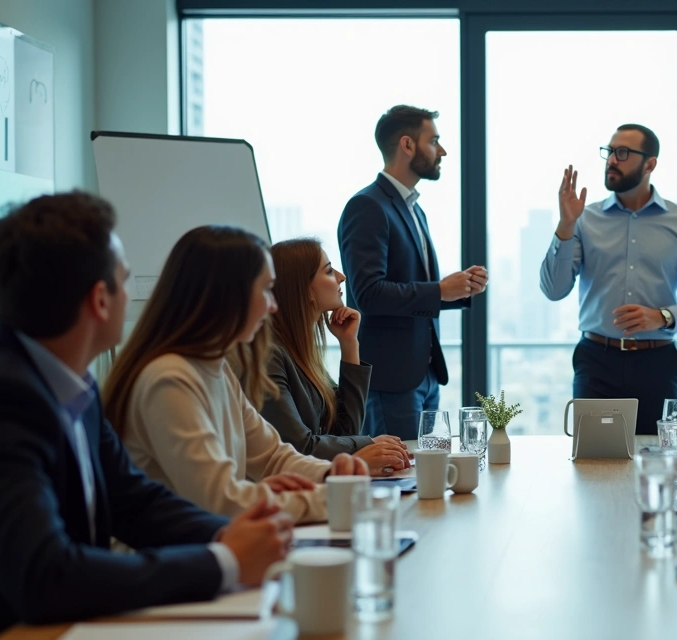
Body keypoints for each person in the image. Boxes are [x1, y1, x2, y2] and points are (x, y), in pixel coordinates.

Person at [0, 193, 292, 639]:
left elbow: (133, 500)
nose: (131, 293)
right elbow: (46, 576)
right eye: (124, 278)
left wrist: (231, 535)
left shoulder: (67, 377)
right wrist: (225, 561)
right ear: (101, 300)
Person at [104, 226, 369, 525]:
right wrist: (331, 498)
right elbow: (220, 499)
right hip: (173, 549)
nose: (273, 305)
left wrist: (333, 473)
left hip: (208, 541)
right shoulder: (169, 378)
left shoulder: (215, 368)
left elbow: (273, 456)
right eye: (265, 290)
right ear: (228, 297)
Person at [541, 124, 677, 435]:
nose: (612, 160)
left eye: (623, 153)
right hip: (596, 362)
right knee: (594, 457)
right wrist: (565, 225)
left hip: (658, 363)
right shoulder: (584, 219)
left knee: (663, 454)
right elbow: (554, 289)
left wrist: (663, 316)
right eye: (610, 151)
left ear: (650, 164)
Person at [338, 105, 488, 440]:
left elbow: (411, 289)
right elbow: (369, 294)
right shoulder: (368, 206)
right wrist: (440, 290)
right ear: (407, 145)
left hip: (425, 375)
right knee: (400, 471)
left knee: (426, 469)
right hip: (391, 380)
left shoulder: (414, 210)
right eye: (433, 141)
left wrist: (460, 289)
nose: (442, 150)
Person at [242, 238, 410, 473]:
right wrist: (367, 444)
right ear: (304, 288)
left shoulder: (300, 350)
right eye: (329, 271)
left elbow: (345, 431)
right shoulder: (269, 355)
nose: (342, 277)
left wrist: (349, 345)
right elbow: (297, 447)